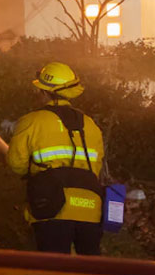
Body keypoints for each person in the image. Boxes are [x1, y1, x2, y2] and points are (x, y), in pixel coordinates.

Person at [6, 61, 105, 255]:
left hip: (51, 205)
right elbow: (97, 167)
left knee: (53, 267)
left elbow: (16, 164)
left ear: (44, 92)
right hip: (90, 207)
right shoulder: (91, 125)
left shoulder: (32, 121)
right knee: (89, 268)